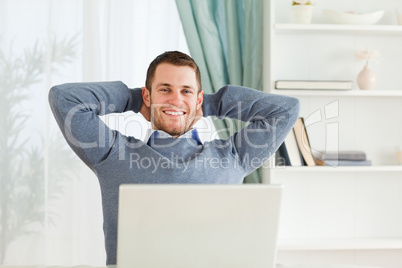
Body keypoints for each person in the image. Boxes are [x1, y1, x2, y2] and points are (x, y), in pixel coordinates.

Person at [48, 51, 300, 265]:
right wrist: (134, 99)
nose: (176, 99)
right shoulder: (112, 153)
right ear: (149, 96)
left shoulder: (233, 155)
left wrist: (210, 104)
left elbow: (286, 109)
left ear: (198, 98)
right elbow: (65, 99)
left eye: (186, 91)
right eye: (165, 89)